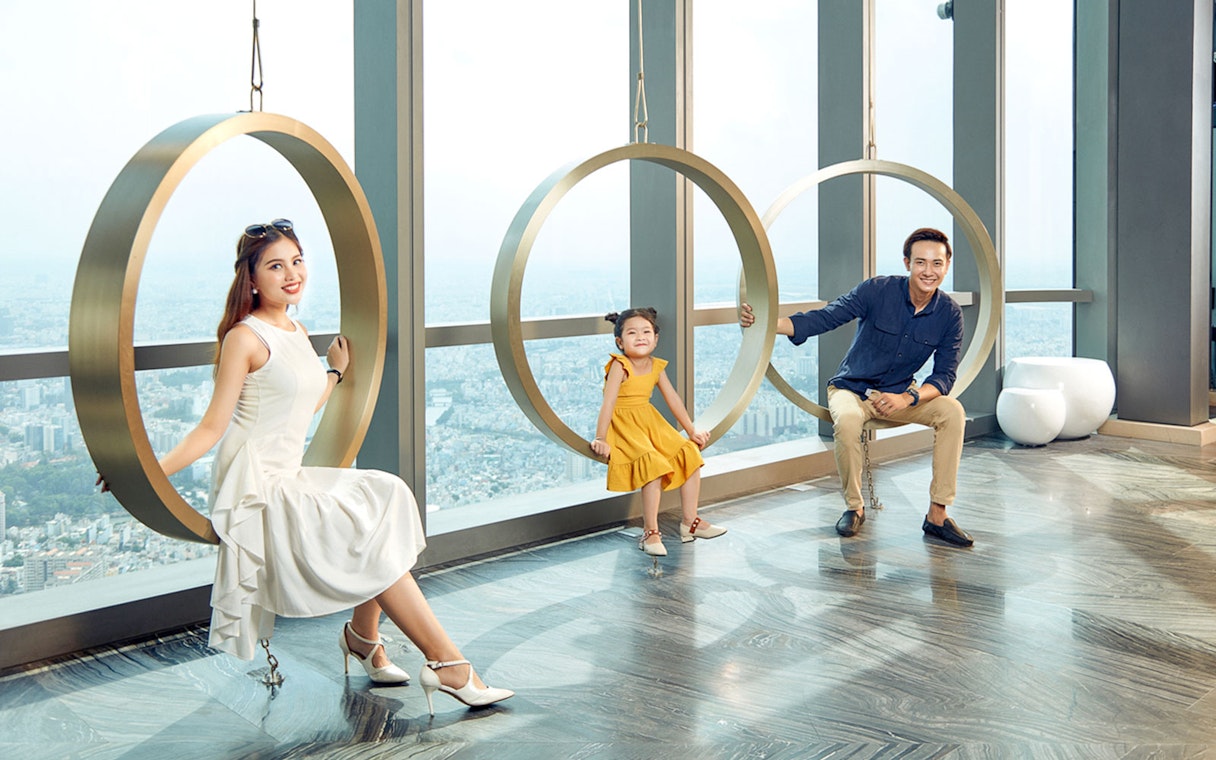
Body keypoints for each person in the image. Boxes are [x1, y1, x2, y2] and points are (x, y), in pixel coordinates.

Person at [100, 219, 512, 715]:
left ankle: (363, 637)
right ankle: (448, 665)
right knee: (366, 530)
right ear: (251, 278)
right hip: (257, 484)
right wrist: (147, 473)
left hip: (290, 472)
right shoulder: (243, 338)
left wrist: (333, 373)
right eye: (276, 265)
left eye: (297, 261)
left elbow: (294, 405)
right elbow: (212, 427)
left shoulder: (294, 328)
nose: (292, 274)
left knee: (387, 494)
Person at [740, 227, 974, 547]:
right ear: (907, 263)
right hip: (851, 389)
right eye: (921, 262)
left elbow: (944, 376)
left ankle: (937, 514)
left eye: (937, 264)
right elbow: (826, 317)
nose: (928, 271)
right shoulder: (877, 290)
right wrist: (767, 323)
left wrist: (907, 398)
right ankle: (854, 507)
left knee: (952, 412)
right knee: (849, 419)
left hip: (899, 395)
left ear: (947, 266)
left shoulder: (949, 314)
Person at [591, 307, 726, 557]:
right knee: (651, 465)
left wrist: (691, 431)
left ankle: (690, 522)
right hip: (623, 425)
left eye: (646, 331)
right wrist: (601, 437)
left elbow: (673, 399)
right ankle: (650, 532)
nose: (640, 337)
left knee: (689, 453)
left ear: (656, 338)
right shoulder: (619, 366)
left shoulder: (655, 365)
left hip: (649, 420)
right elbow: (608, 403)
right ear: (620, 341)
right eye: (632, 333)